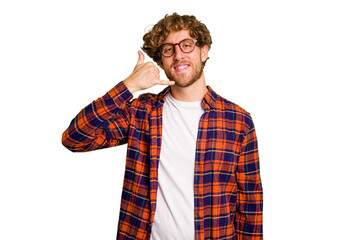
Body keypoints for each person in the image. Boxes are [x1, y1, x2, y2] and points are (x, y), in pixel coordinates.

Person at [62, 12, 263, 240]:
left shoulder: (237, 120)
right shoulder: (142, 112)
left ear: (204, 51)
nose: (178, 55)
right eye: (168, 50)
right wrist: (128, 86)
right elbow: (74, 138)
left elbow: (250, 204)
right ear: (160, 61)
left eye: (186, 45)